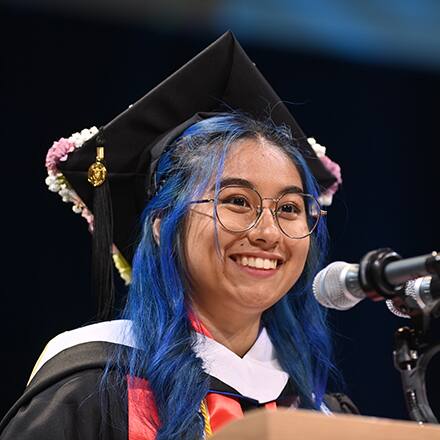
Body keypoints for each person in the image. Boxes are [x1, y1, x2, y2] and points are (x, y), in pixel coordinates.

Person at [0, 31, 355, 440]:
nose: (268, 232)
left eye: (290, 208)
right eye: (237, 201)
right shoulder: (90, 389)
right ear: (161, 225)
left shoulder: (320, 413)